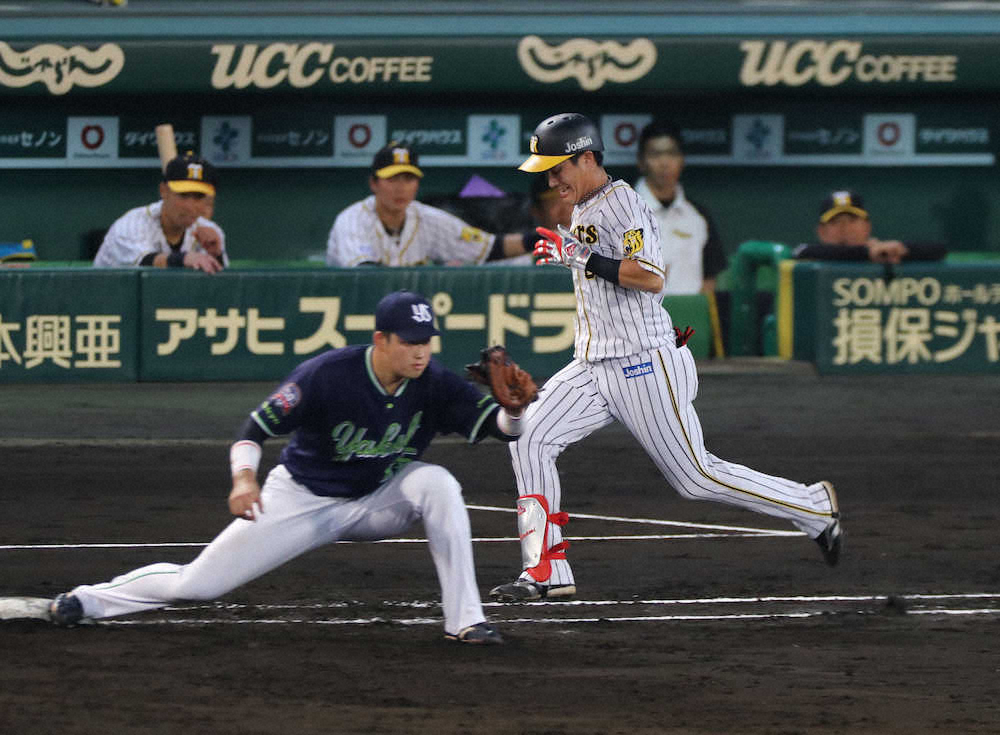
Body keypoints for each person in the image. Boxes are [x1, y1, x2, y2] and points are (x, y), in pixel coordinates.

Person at [489, 112, 843, 603]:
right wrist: (574, 249)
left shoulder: (624, 204)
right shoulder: (585, 207)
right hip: (594, 364)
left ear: (587, 158)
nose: (551, 181)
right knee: (528, 437)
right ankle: (545, 570)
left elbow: (650, 277)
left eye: (557, 169)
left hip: (642, 364)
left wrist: (580, 256)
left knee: (695, 477)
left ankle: (812, 505)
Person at [47, 291, 524, 645]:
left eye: (427, 342)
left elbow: (501, 429)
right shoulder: (327, 375)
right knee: (198, 584)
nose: (421, 352)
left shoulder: (434, 382)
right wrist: (244, 478)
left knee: (438, 483)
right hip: (302, 500)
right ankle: (88, 600)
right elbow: (255, 429)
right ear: (381, 339)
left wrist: (516, 410)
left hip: (377, 501)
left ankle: (466, 621)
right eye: (410, 341)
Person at [326, 142, 532, 267]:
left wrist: (538, 239)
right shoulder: (352, 220)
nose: (401, 187)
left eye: (408, 178)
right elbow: (364, 275)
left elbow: (490, 247)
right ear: (373, 183)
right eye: (392, 179)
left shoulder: (427, 218)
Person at [93, 153, 229, 273]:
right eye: (183, 195)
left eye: (198, 197)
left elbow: (220, 286)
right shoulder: (131, 225)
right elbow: (144, 263)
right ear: (164, 191)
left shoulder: (210, 232)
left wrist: (216, 255)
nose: (191, 206)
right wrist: (184, 259)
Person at [634, 120, 727, 295]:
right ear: (641, 161)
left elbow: (709, 279)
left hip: (690, 312)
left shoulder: (699, 216)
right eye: (655, 154)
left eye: (672, 153)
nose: (664, 162)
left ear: (682, 159)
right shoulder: (619, 213)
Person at [795, 190, 947, 264]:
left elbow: (939, 250)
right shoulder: (809, 256)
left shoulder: (883, 254)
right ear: (821, 231)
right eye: (835, 222)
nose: (844, 227)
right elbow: (803, 251)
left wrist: (900, 249)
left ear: (867, 226)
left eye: (852, 220)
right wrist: (867, 253)